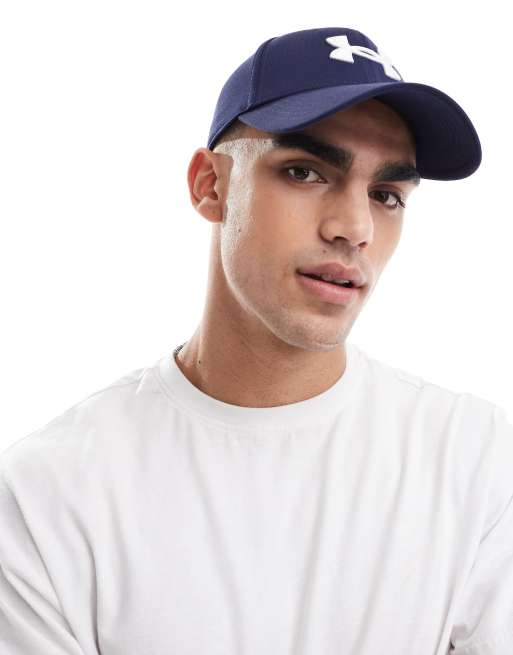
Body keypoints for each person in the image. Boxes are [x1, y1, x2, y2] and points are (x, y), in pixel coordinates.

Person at [0, 25, 511, 655]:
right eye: (304, 172)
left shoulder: (476, 460)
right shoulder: (48, 494)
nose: (354, 228)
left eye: (386, 195)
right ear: (210, 185)